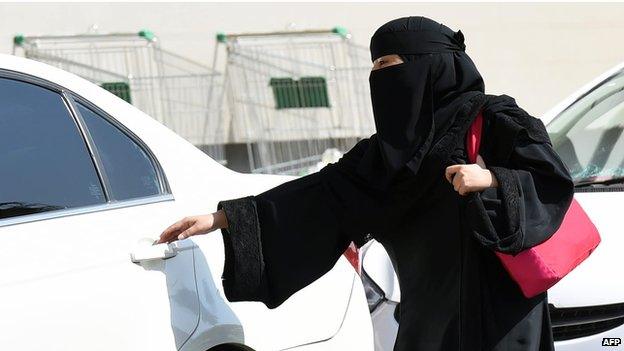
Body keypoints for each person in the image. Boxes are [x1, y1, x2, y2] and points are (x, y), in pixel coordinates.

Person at [158, 16, 574, 351]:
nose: (379, 77)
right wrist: (223, 219)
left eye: (390, 65)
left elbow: (550, 180)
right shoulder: (383, 154)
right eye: (374, 67)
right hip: (426, 319)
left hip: (500, 316)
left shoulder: (496, 119)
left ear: (429, 64)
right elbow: (320, 195)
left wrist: (491, 179)